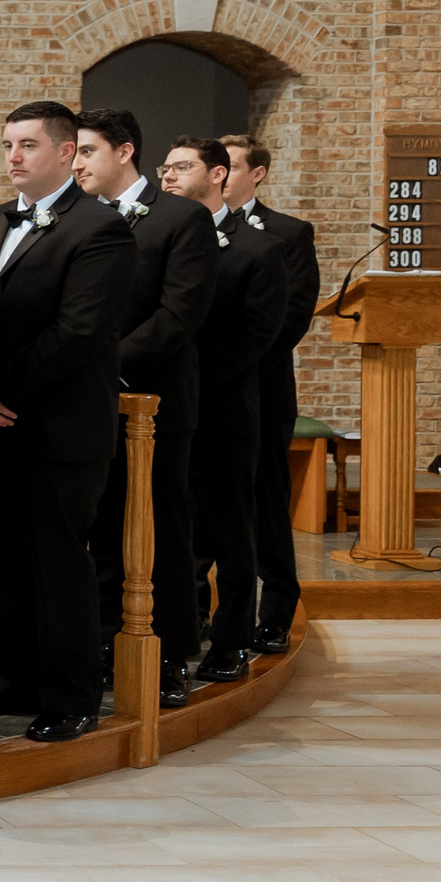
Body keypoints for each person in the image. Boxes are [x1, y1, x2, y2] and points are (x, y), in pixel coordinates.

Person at [0, 101, 133, 741]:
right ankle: (14, 675)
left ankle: (71, 695)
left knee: (58, 563)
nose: (14, 155)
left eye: (29, 144)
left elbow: (80, 332)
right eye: (9, 143)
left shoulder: (100, 229)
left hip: (58, 426)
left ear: (67, 153)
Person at [74, 107, 215, 705]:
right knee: (101, 532)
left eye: (88, 151)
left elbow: (178, 314)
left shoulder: (180, 219)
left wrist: (104, 366)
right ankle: (105, 645)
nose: (77, 163)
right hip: (87, 404)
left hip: (153, 404)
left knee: (159, 532)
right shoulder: (75, 222)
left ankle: (167, 659)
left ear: (124, 152)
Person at [161, 136, 287, 684]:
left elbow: (256, 339)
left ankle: (232, 640)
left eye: (183, 167)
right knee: (174, 533)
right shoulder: (157, 239)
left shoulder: (256, 250)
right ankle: (181, 632)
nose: (168, 176)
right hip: (162, 415)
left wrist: (186, 384)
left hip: (222, 413)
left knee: (231, 531)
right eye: (164, 167)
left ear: (218, 175)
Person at [222, 134, 319, 654]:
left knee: (264, 499)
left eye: (233, 166)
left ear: (257, 173)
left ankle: (277, 610)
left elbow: (290, 318)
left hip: (262, 388)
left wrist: (230, 368)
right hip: (205, 393)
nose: (223, 173)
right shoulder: (191, 227)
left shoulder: (287, 233)